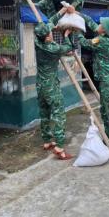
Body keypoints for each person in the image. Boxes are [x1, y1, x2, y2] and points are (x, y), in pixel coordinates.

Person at [75, 14, 109, 161]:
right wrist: (78, 14)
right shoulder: (102, 35)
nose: (97, 26)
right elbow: (92, 24)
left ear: (104, 30)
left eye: (100, 25)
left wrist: (75, 29)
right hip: (104, 82)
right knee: (105, 113)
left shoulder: (102, 41)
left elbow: (84, 42)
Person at [35, 9, 74, 160]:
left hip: (40, 85)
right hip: (51, 86)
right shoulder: (54, 49)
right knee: (59, 115)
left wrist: (62, 11)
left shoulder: (37, 42)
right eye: (50, 31)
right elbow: (69, 48)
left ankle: (46, 141)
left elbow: (49, 23)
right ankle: (59, 146)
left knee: (44, 113)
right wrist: (66, 35)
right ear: (48, 35)